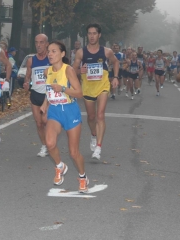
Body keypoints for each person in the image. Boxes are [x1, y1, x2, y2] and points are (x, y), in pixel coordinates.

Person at [40, 40, 89, 193]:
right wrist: (45, 103)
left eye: (54, 51)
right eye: (49, 51)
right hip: (54, 110)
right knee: (49, 143)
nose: (50, 54)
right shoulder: (47, 72)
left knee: (73, 152)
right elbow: (49, 91)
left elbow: (79, 93)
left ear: (62, 54)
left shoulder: (68, 70)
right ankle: (60, 166)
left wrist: (62, 88)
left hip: (70, 111)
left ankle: (82, 177)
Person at [72, 23, 119, 160]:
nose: (92, 36)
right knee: (91, 117)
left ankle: (98, 147)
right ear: (87, 35)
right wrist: (80, 71)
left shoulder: (106, 51)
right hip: (88, 87)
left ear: (99, 35)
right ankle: (93, 134)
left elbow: (115, 62)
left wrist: (115, 77)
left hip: (103, 86)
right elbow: (73, 69)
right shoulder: (81, 52)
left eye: (94, 33)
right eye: (89, 33)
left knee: (100, 115)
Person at [23, 34, 50, 157]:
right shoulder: (31, 60)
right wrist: (26, 82)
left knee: (46, 121)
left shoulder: (51, 59)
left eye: (41, 42)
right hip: (35, 94)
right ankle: (45, 146)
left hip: (48, 95)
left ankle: (50, 143)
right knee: (39, 123)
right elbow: (28, 75)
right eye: (36, 42)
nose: (38, 45)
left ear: (46, 44)